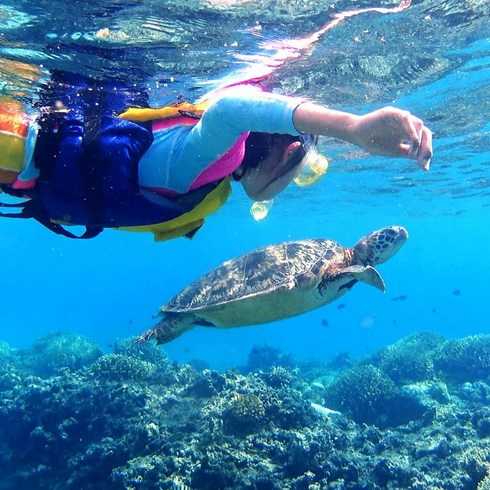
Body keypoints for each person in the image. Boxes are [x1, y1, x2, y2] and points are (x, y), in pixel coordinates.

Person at [0, 74, 432, 241]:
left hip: (28, 162)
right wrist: (352, 127)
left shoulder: (212, 177)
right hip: (17, 149)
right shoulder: (213, 161)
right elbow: (229, 108)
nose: (284, 190)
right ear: (288, 150)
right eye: (303, 172)